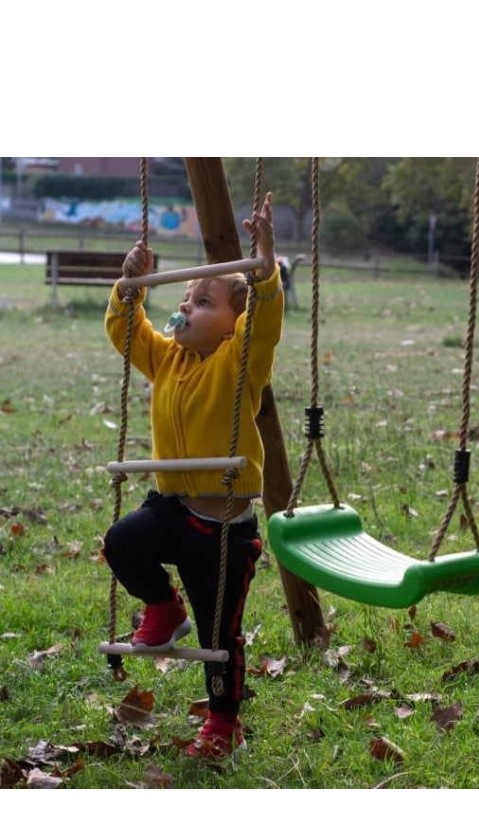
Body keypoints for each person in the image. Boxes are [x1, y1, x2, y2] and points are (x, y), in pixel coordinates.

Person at [103, 192, 283, 760]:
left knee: (219, 634)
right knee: (122, 541)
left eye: (203, 301)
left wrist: (265, 266)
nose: (184, 308)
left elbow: (265, 322)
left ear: (234, 326)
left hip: (224, 529)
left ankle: (223, 723)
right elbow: (127, 333)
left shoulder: (239, 361)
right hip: (172, 506)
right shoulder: (167, 358)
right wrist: (129, 289)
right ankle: (162, 606)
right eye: (184, 298)